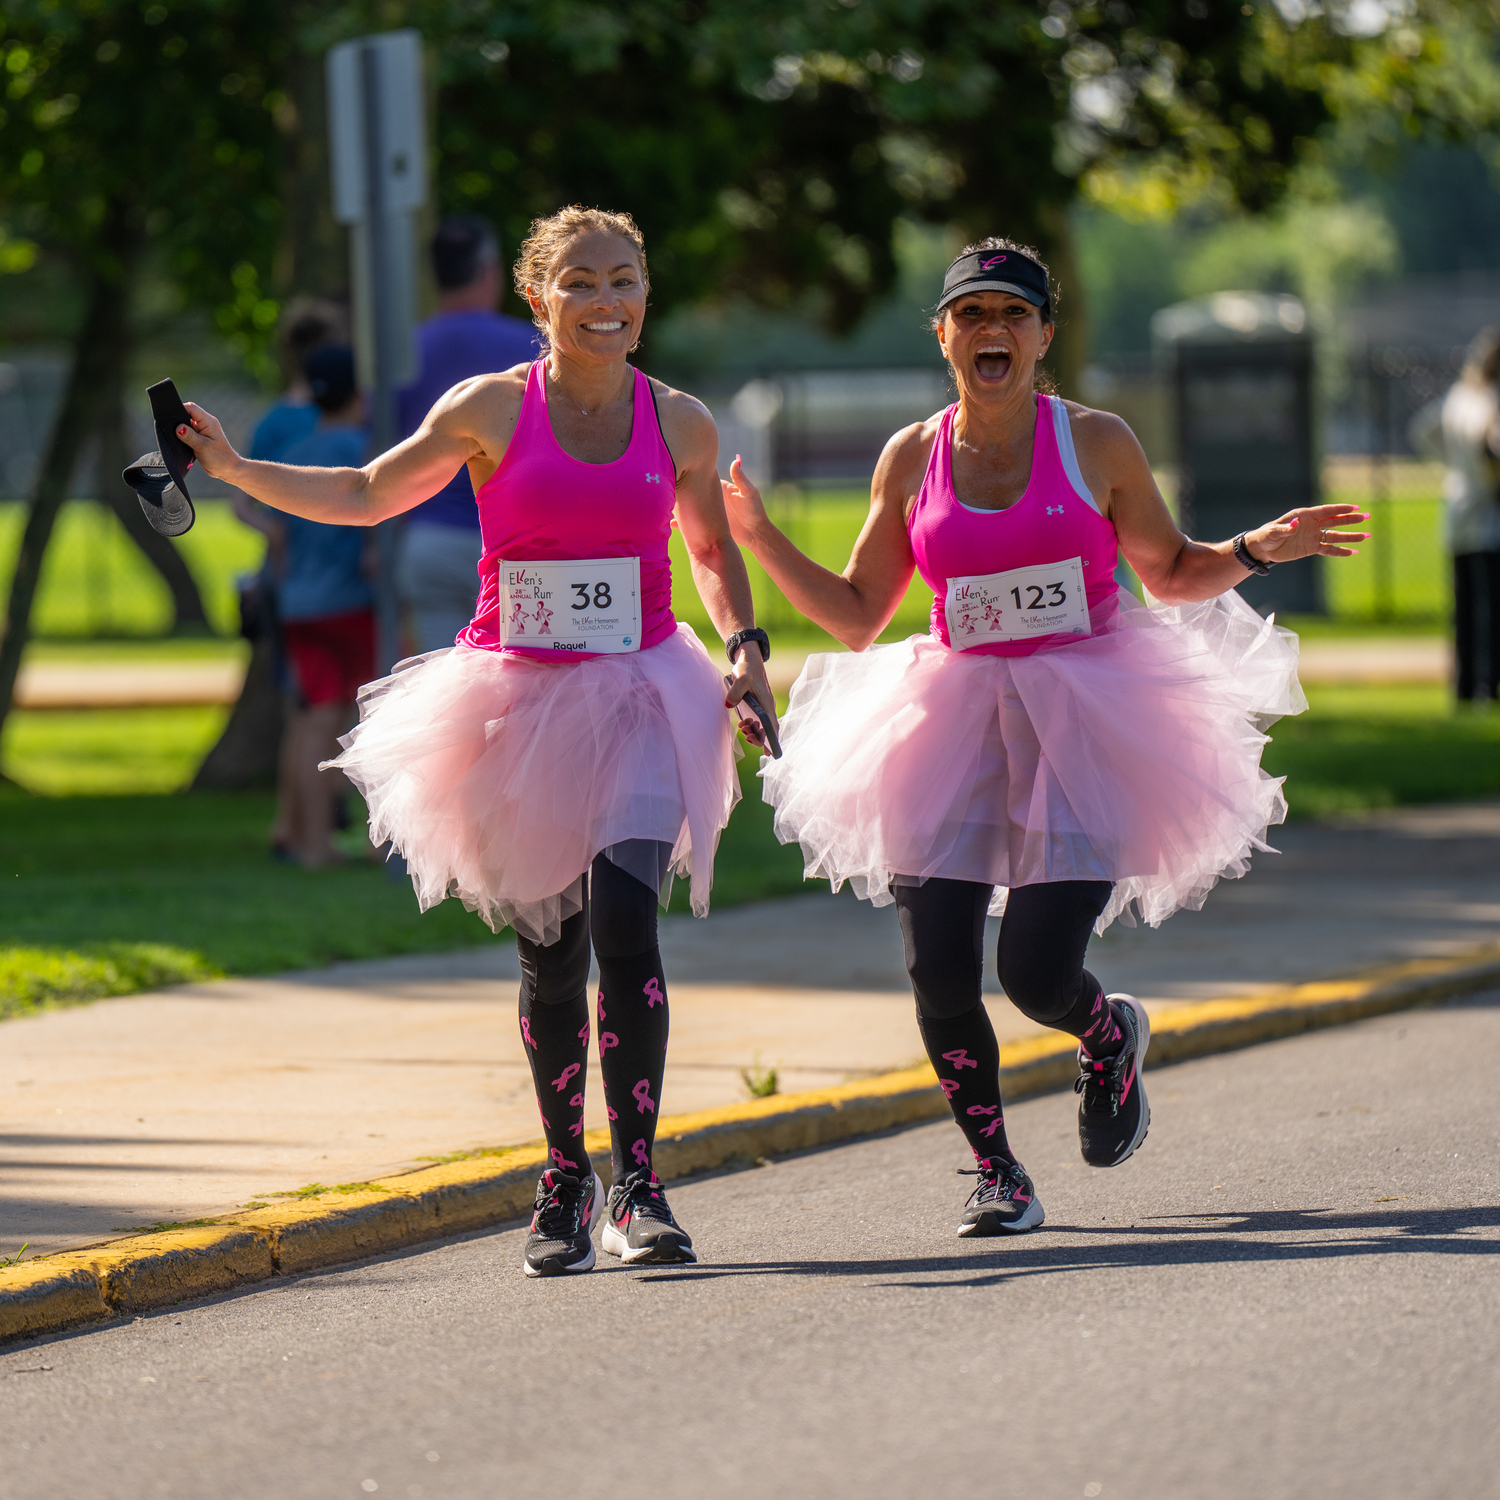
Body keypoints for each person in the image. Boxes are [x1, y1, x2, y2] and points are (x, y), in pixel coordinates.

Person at [173, 206, 778, 1277]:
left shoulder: (680, 421)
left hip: (642, 690)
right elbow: (367, 494)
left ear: (647, 297)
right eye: (582, 282)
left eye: (626, 281)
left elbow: (712, 550)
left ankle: (639, 1185)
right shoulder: (490, 408)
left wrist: (742, 642)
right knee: (553, 957)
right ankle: (563, 1174)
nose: (606, 301)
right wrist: (232, 469)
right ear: (538, 299)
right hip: (519, 703)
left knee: (629, 920)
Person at [722, 239, 1368, 1238]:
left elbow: (1170, 573)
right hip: (945, 718)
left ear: (1044, 336)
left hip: (1087, 714)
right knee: (937, 964)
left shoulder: (1096, 441)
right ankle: (997, 1173)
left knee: (1031, 973)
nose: (993, 330)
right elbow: (856, 615)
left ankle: (1106, 1034)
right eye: (972, 314)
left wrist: (1252, 549)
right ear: (943, 335)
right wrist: (761, 541)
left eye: (1013, 314)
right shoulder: (912, 456)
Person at [396, 216, 543, 653]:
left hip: (430, 538)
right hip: (518, 543)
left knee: (443, 691)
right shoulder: (535, 348)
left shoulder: (402, 352)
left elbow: (378, 446)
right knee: (524, 693)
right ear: (490, 271)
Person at [272, 345, 377, 867]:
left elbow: (273, 529)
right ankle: (385, 848)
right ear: (361, 393)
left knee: (315, 717)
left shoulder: (292, 453)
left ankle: (311, 846)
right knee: (373, 718)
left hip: (301, 604)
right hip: (354, 605)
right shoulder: (369, 452)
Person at [1409, 328, 1500, 702]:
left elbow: (1422, 431)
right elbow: (1490, 446)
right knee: (1490, 606)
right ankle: (1486, 685)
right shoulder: (1491, 401)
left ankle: (1464, 686)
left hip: (1457, 507)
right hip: (1488, 513)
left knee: (1464, 605)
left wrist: (1452, 463)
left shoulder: (1459, 398)